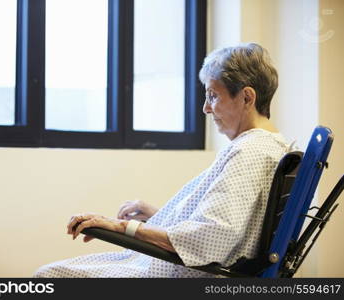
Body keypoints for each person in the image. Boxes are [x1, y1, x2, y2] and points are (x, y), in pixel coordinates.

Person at [34, 43, 291, 278]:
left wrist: (121, 226)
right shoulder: (271, 146)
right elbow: (222, 226)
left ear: (247, 97)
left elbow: (210, 237)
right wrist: (159, 215)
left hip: (169, 273)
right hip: (166, 264)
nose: (206, 108)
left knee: (49, 276)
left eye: (213, 95)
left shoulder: (249, 153)